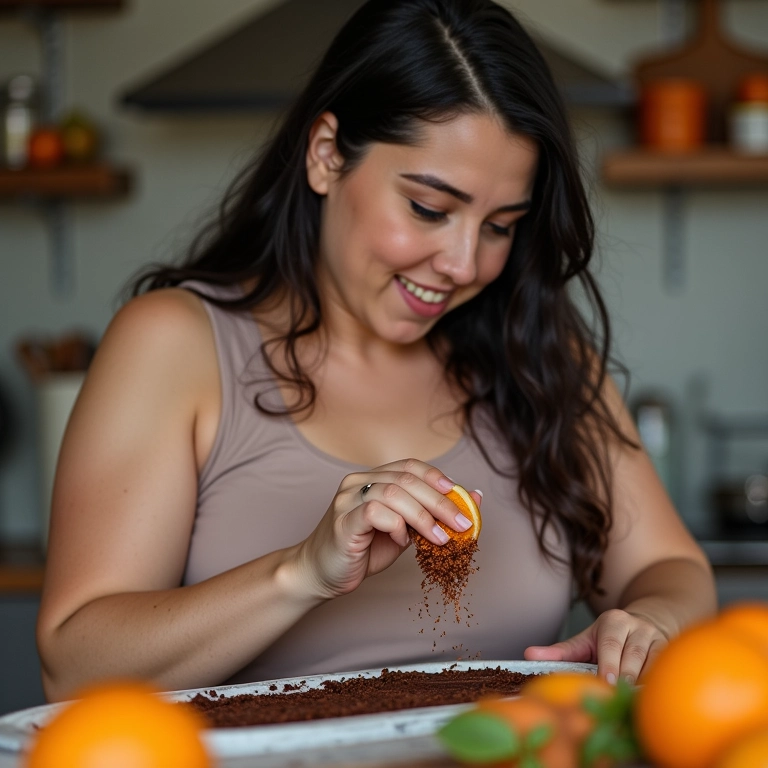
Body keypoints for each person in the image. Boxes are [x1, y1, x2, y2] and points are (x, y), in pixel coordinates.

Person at [36, 0, 716, 702]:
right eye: (429, 208)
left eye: (501, 226)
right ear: (326, 155)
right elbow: (75, 665)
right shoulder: (174, 343)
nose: (462, 263)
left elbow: (669, 566)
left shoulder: (539, 352)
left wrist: (651, 623)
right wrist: (302, 571)